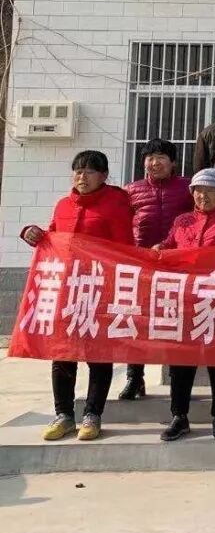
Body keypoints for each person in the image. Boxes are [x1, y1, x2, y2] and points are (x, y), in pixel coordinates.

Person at [21, 151, 133, 442]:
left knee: (99, 354)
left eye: (90, 172)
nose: (82, 177)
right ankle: (64, 415)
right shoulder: (63, 205)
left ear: (104, 176)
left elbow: (125, 248)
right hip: (66, 290)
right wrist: (32, 233)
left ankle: (92, 415)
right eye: (78, 171)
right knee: (62, 353)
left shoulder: (116, 204)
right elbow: (53, 237)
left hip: (100, 290)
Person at [158, 168, 215, 442]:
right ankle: (179, 416)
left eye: (209, 191)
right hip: (184, 300)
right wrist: (157, 250)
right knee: (180, 362)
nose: (203, 196)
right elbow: (168, 246)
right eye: (198, 191)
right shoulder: (182, 221)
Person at [120, 139, 192, 401]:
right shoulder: (131, 191)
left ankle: (176, 377)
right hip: (141, 264)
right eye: (150, 157)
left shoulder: (187, 189)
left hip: (177, 266)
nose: (155, 162)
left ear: (173, 162)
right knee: (136, 320)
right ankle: (134, 377)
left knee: (175, 320)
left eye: (161, 157)